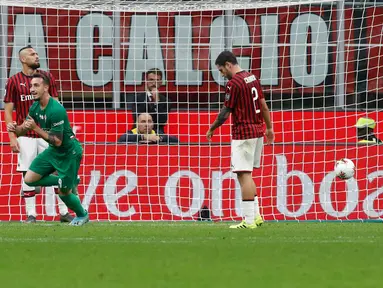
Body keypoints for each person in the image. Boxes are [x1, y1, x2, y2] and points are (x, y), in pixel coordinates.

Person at [6, 73, 88, 226]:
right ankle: (66, 181)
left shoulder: (56, 110)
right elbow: (23, 130)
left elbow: (57, 141)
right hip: (53, 151)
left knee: (64, 194)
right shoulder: (35, 106)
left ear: (46, 87)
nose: (31, 89)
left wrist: (36, 128)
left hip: (69, 152)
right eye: (31, 86)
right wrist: (14, 129)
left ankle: (82, 214)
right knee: (29, 179)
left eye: (36, 85)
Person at [3, 45, 73, 223]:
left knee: (58, 171)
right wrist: (12, 137)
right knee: (27, 173)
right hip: (25, 136)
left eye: (36, 53)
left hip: (46, 134)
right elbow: (9, 111)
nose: (36, 56)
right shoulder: (13, 81)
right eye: (32, 54)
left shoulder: (47, 77)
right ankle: (31, 215)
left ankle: (64, 212)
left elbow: (56, 105)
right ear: (23, 59)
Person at [206, 51, 274, 229]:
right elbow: (263, 105)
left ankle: (249, 221)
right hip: (257, 131)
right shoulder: (252, 78)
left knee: (244, 176)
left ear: (228, 64)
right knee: (247, 175)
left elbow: (225, 113)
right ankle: (257, 216)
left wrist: (212, 128)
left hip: (243, 133)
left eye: (221, 70)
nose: (222, 74)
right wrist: (269, 128)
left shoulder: (233, 83)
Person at [132, 68, 173, 135]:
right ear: (146, 81)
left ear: (161, 82)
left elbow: (162, 121)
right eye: (151, 80)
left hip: (157, 133)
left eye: (157, 80)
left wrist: (157, 101)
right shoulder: (138, 98)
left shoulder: (166, 101)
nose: (154, 83)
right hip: (139, 133)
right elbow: (137, 118)